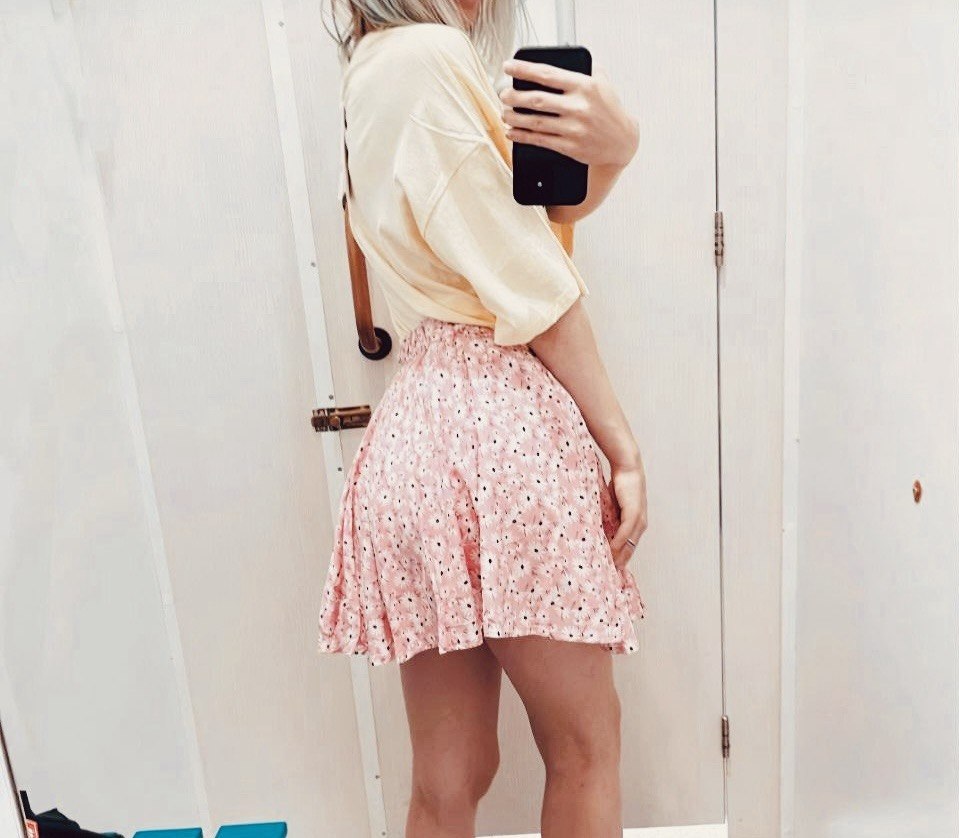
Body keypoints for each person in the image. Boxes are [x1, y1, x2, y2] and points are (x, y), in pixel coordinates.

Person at [318, 2, 648, 835]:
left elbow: (512, 227)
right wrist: (621, 445)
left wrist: (608, 159)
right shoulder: (432, 56)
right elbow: (527, 279)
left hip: (414, 428)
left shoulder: (370, 68)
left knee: (451, 772)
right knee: (584, 746)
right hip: (500, 429)